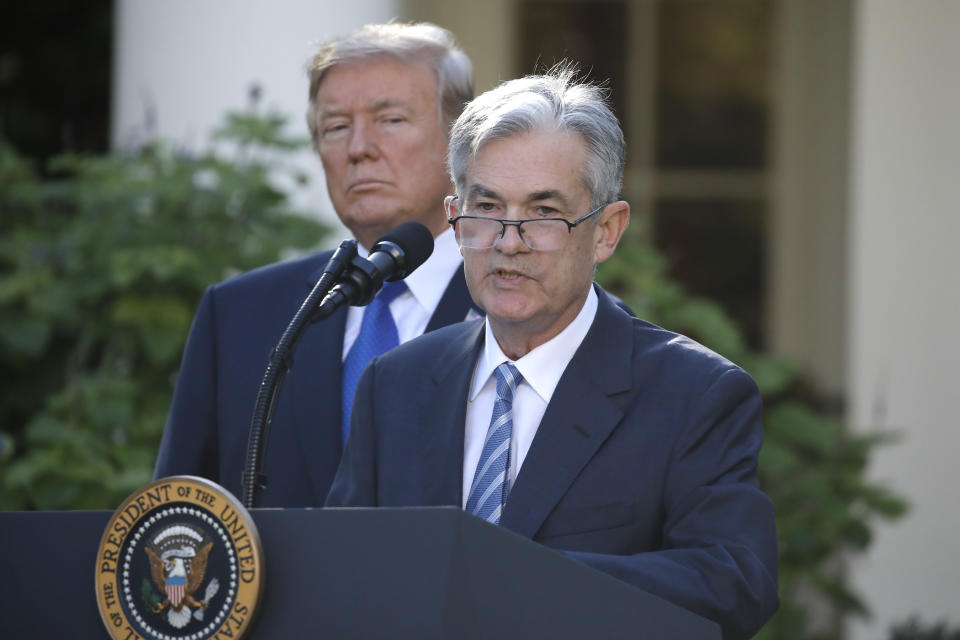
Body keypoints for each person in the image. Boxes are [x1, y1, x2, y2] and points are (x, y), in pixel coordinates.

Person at [325, 67, 779, 638]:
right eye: (486, 208)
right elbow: (344, 573)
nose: (508, 242)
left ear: (607, 232)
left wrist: (514, 579)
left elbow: (732, 583)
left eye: (543, 213)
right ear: (454, 220)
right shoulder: (396, 383)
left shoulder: (694, 394)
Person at [154, 23, 477, 507]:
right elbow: (177, 516)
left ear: (462, 140)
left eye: (389, 120)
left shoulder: (520, 304)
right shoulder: (240, 315)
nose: (358, 147)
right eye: (336, 127)